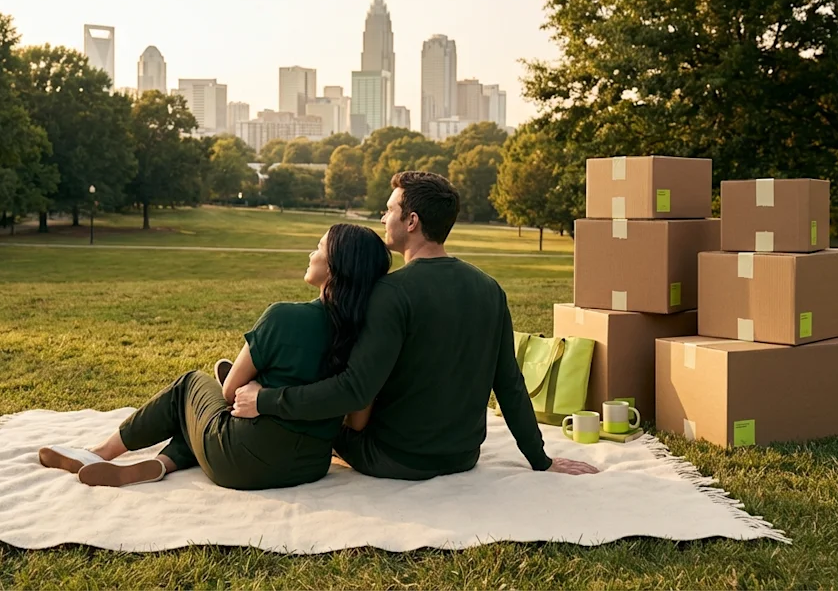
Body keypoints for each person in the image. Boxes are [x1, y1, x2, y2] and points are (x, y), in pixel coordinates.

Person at [232, 171, 599, 477]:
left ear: (411, 221)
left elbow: (355, 391)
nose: (382, 217)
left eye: (390, 209)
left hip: (393, 457)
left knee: (314, 420)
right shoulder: (490, 288)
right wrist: (540, 459)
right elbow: (509, 382)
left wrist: (267, 400)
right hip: (462, 457)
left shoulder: (390, 293)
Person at [38, 223, 391, 490]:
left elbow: (228, 394)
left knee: (191, 387)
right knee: (206, 418)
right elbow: (356, 422)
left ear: (334, 267)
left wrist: (252, 390)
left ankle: (101, 453)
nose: (311, 254)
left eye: (318, 248)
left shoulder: (284, 317)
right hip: (309, 467)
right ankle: (163, 463)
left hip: (238, 463)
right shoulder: (366, 340)